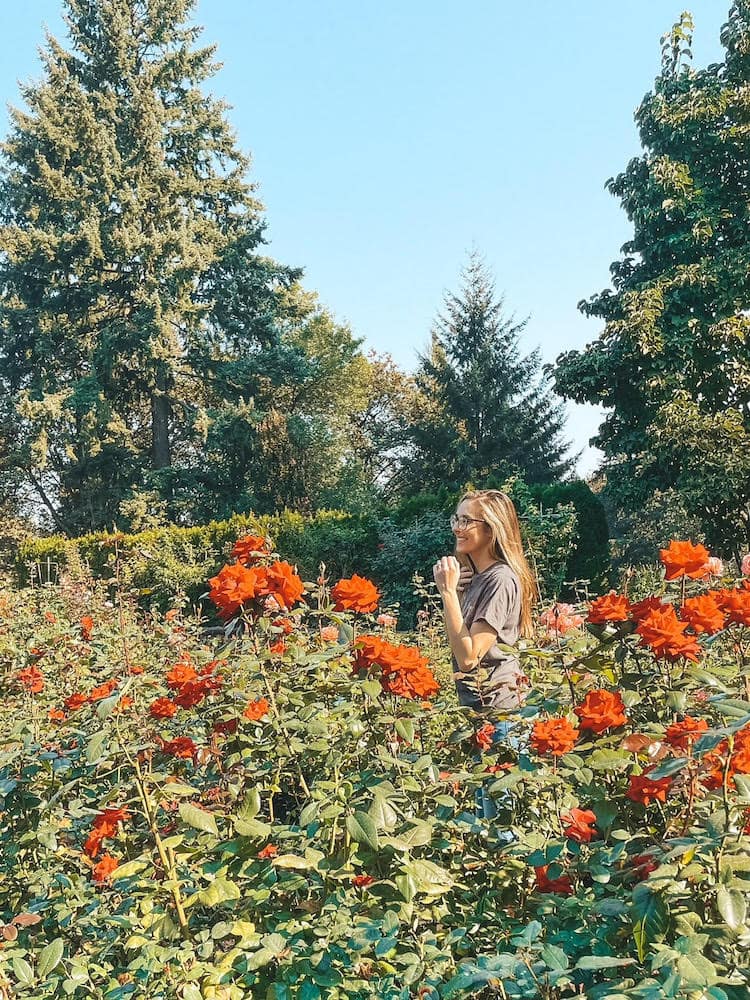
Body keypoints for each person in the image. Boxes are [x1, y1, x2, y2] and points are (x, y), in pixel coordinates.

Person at [432, 490, 536, 821]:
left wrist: (447, 593)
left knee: (500, 822)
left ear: (491, 529)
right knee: (485, 815)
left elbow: (468, 658)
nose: (457, 528)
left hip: (502, 712)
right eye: (456, 519)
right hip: (480, 711)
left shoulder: (501, 579)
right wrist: (458, 590)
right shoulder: (476, 579)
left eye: (467, 521)